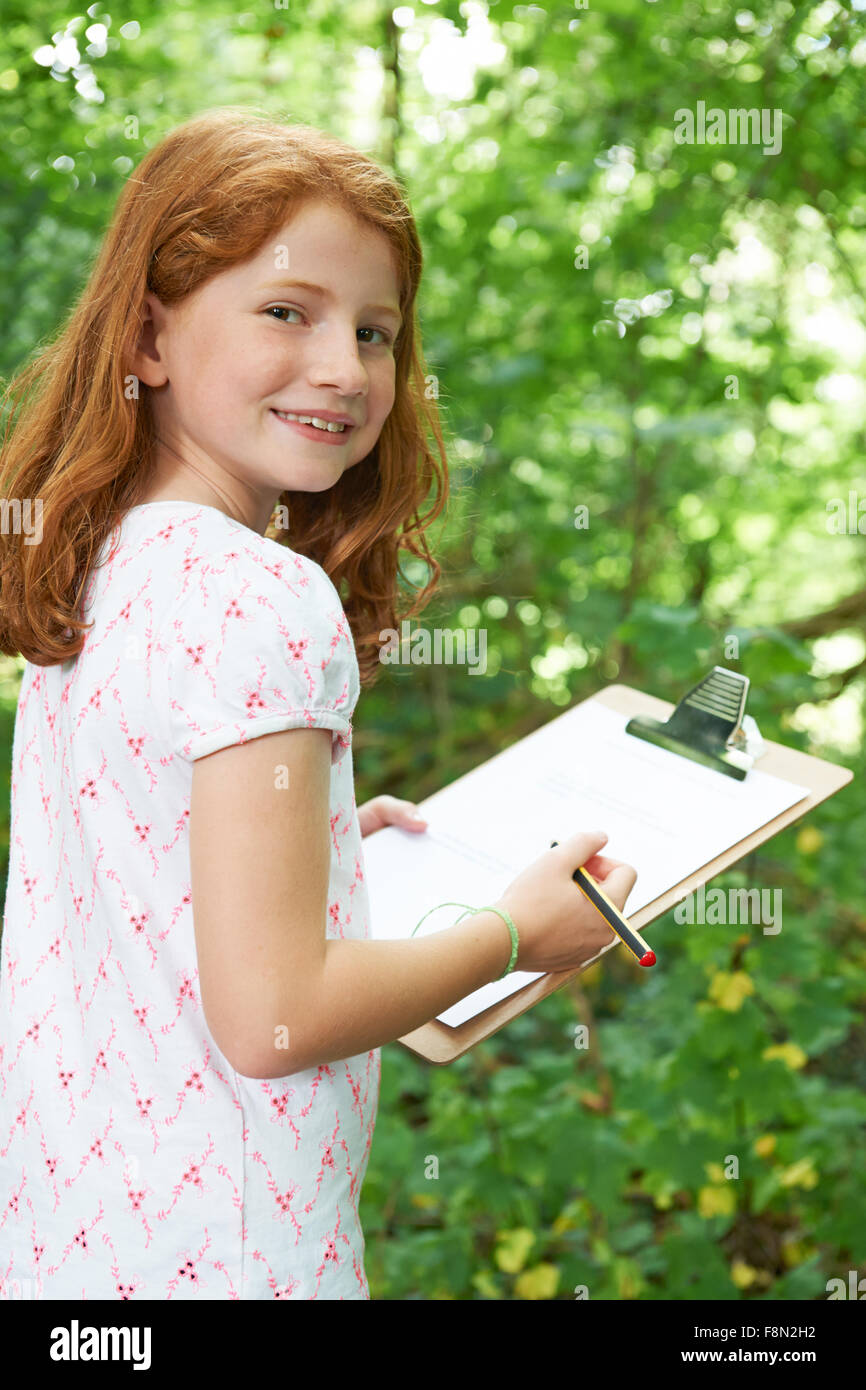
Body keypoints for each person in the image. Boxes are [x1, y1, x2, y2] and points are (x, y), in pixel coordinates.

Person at [0, 107, 637, 1301]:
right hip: (235, 1262)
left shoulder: (93, 573)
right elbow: (275, 1017)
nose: (346, 368)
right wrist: (513, 935)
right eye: (286, 311)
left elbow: (148, 874)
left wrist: (325, 840)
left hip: (65, 1249)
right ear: (148, 334)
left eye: (377, 331)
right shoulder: (261, 596)